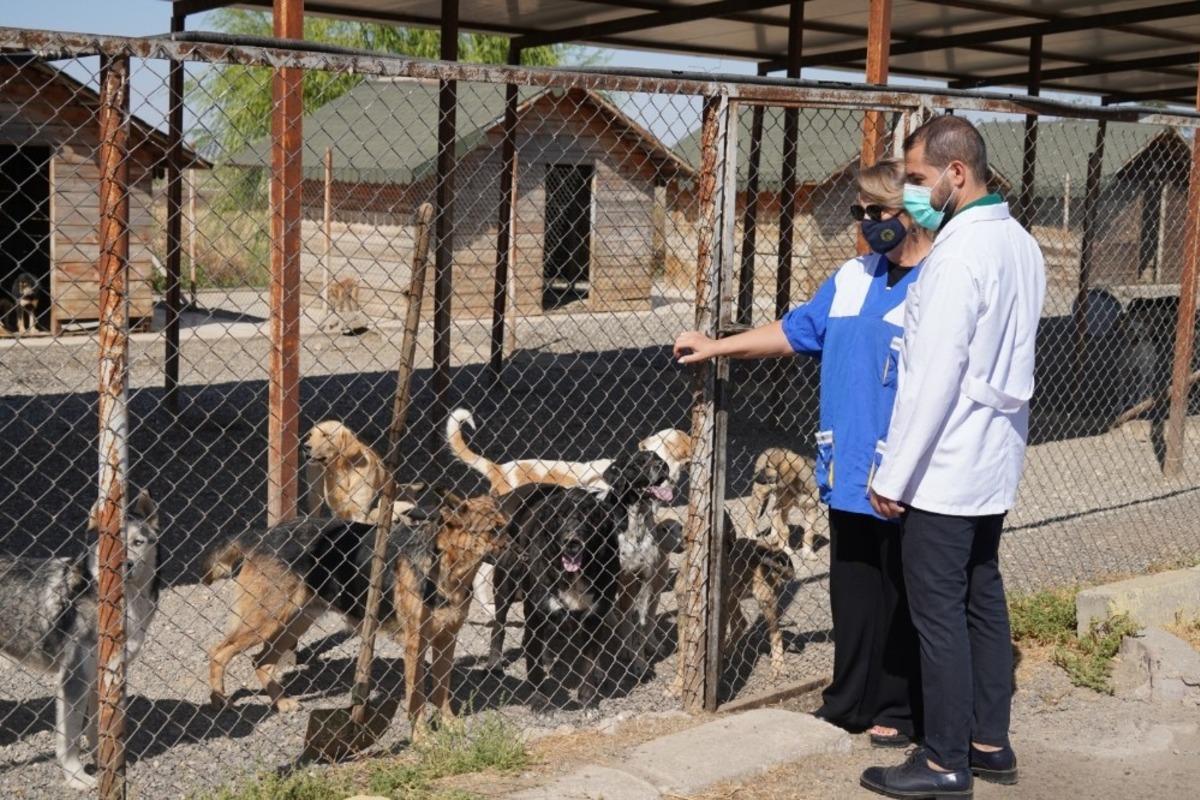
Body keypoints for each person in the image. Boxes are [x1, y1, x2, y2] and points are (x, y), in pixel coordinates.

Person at [674, 158, 929, 747]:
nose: (867, 224)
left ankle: (900, 707)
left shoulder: (936, 282)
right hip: (848, 467)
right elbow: (796, 332)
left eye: (879, 212)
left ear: (912, 211)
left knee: (902, 592)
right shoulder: (849, 278)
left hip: (905, 468)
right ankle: (849, 701)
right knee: (853, 590)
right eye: (859, 212)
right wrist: (718, 347)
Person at [861, 116, 1046, 798]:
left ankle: (942, 761)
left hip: (945, 462)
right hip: (993, 458)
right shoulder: (1021, 244)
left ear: (956, 173)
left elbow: (933, 375)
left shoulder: (958, 256)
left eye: (916, 179)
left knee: (937, 610)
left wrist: (894, 472)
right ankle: (988, 742)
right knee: (981, 597)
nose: (911, 193)